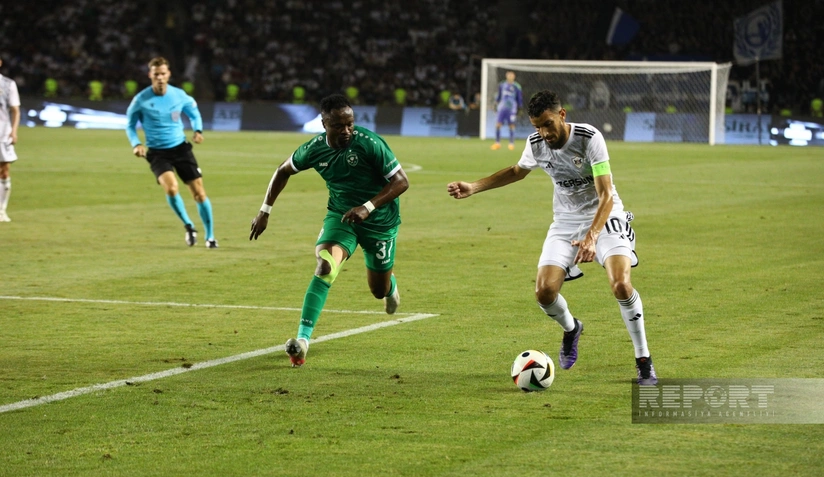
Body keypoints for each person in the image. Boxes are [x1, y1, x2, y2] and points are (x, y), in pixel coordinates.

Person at [447, 90, 657, 385]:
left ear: (561, 115)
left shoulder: (588, 137)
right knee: (544, 293)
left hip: (605, 216)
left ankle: (644, 361)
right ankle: (572, 329)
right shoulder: (536, 143)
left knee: (621, 284)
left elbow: (606, 194)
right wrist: (473, 186)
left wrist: (592, 236)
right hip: (565, 222)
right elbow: (516, 172)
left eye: (547, 124)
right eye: (536, 126)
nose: (543, 133)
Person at [249, 94, 410, 366]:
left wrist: (368, 206)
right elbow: (283, 170)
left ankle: (390, 287)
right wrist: (265, 210)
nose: (347, 131)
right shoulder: (313, 149)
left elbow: (401, 182)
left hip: (380, 221)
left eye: (350, 124)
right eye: (339, 126)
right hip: (341, 217)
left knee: (378, 291)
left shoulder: (370, 144)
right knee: (324, 267)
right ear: (324, 124)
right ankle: (302, 340)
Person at [126, 57, 217, 248]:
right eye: (156, 74)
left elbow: (194, 113)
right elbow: (130, 125)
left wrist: (198, 130)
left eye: (163, 74)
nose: (160, 77)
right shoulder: (140, 100)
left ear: (169, 75)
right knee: (171, 188)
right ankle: (189, 226)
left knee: (199, 193)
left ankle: (210, 236)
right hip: (158, 153)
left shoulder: (179, 95)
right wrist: (136, 144)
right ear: (150, 75)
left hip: (180, 148)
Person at [0, 57, 21, 222]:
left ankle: (1, 210)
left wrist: (14, 131)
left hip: (2, 133)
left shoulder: (8, 84)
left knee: (4, 170)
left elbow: (15, 110)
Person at [491, 70, 523, 151]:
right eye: (508, 75)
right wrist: (496, 103)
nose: (510, 76)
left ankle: (511, 144)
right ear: (506, 76)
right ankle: (497, 143)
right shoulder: (502, 84)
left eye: (511, 75)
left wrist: (520, 107)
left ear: (514, 76)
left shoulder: (517, 86)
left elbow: (519, 98)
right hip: (502, 107)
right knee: (498, 124)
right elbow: (499, 95)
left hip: (511, 107)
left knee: (511, 125)